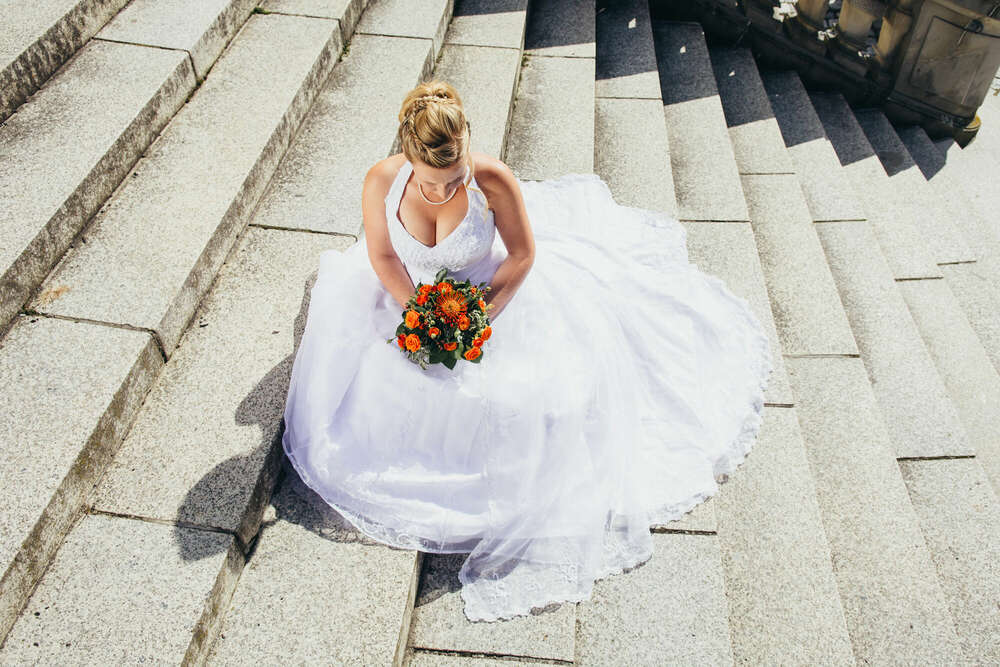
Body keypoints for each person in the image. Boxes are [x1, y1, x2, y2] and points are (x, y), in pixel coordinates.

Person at [281, 80, 773, 622]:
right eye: (432, 181)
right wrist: (420, 314)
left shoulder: (492, 180)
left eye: (456, 176)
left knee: (525, 400)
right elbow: (382, 255)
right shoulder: (381, 179)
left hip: (489, 299)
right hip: (413, 298)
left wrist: (476, 320)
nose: (446, 189)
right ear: (408, 153)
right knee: (381, 386)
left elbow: (521, 255)